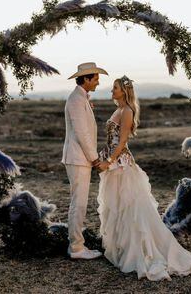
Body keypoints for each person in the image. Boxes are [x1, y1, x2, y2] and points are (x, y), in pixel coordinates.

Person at [96, 75, 191, 280]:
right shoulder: (118, 109)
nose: (112, 90)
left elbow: (122, 143)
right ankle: (122, 250)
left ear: (124, 91)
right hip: (114, 165)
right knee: (118, 207)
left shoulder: (127, 111)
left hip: (121, 166)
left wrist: (107, 162)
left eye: (115, 88)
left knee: (130, 209)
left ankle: (138, 252)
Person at [61, 62, 108, 260]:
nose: (98, 82)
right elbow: (82, 134)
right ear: (87, 79)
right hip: (78, 158)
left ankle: (77, 245)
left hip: (79, 158)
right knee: (78, 204)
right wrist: (95, 159)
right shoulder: (76, 100)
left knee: (78, 203)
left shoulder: (81, 98)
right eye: (96, 78)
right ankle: (77, 248)